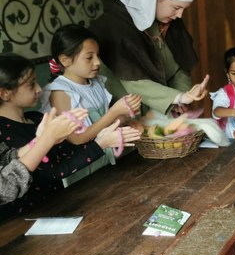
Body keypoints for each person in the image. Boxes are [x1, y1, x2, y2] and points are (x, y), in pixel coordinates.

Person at [0, 53, 140, 218]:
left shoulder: (36, 118)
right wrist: (100, 144)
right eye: (31, 85)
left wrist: (102, 139)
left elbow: (66, 154)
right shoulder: (4, 131)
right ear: (5, 94)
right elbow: (55, 171)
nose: (39, 88)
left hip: (59, 207)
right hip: (20, 221)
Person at [89, 0, 210, 115]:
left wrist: (180, 98)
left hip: (163, 107)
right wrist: (178, 97)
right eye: (176, 7)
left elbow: (180, 66)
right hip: (127, 111)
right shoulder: (114, 25)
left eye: (183, 9)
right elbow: (133, 80)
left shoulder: (169, 19)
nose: (179, 15)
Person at [40, 24, 142, 145]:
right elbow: (77, 139)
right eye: (89, 57)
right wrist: (114, 112)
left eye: (97, 55)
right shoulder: (60, 92)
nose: (97, 62)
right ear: (65, 60)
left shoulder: (96, 82)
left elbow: (102, 124)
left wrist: (125, 117)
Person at [0, 108, 84, 205]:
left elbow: (5, 159)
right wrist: (48, 138)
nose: (39, 91)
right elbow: (5, 188)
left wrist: (39, 139)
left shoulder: (35, 116)